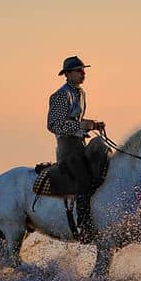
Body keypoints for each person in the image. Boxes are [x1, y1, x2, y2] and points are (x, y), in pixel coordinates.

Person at [47, 56, 106, 195]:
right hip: (68, 149)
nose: (83, 73)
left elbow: (75, 119)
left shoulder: (81, 93)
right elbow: (54, 125)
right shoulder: (61, 95)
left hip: (81, 145)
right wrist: (81, 125)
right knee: (84, 183)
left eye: (83, 70)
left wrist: (94, 125)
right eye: (79, 70)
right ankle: (83, 215)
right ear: (67, 74)